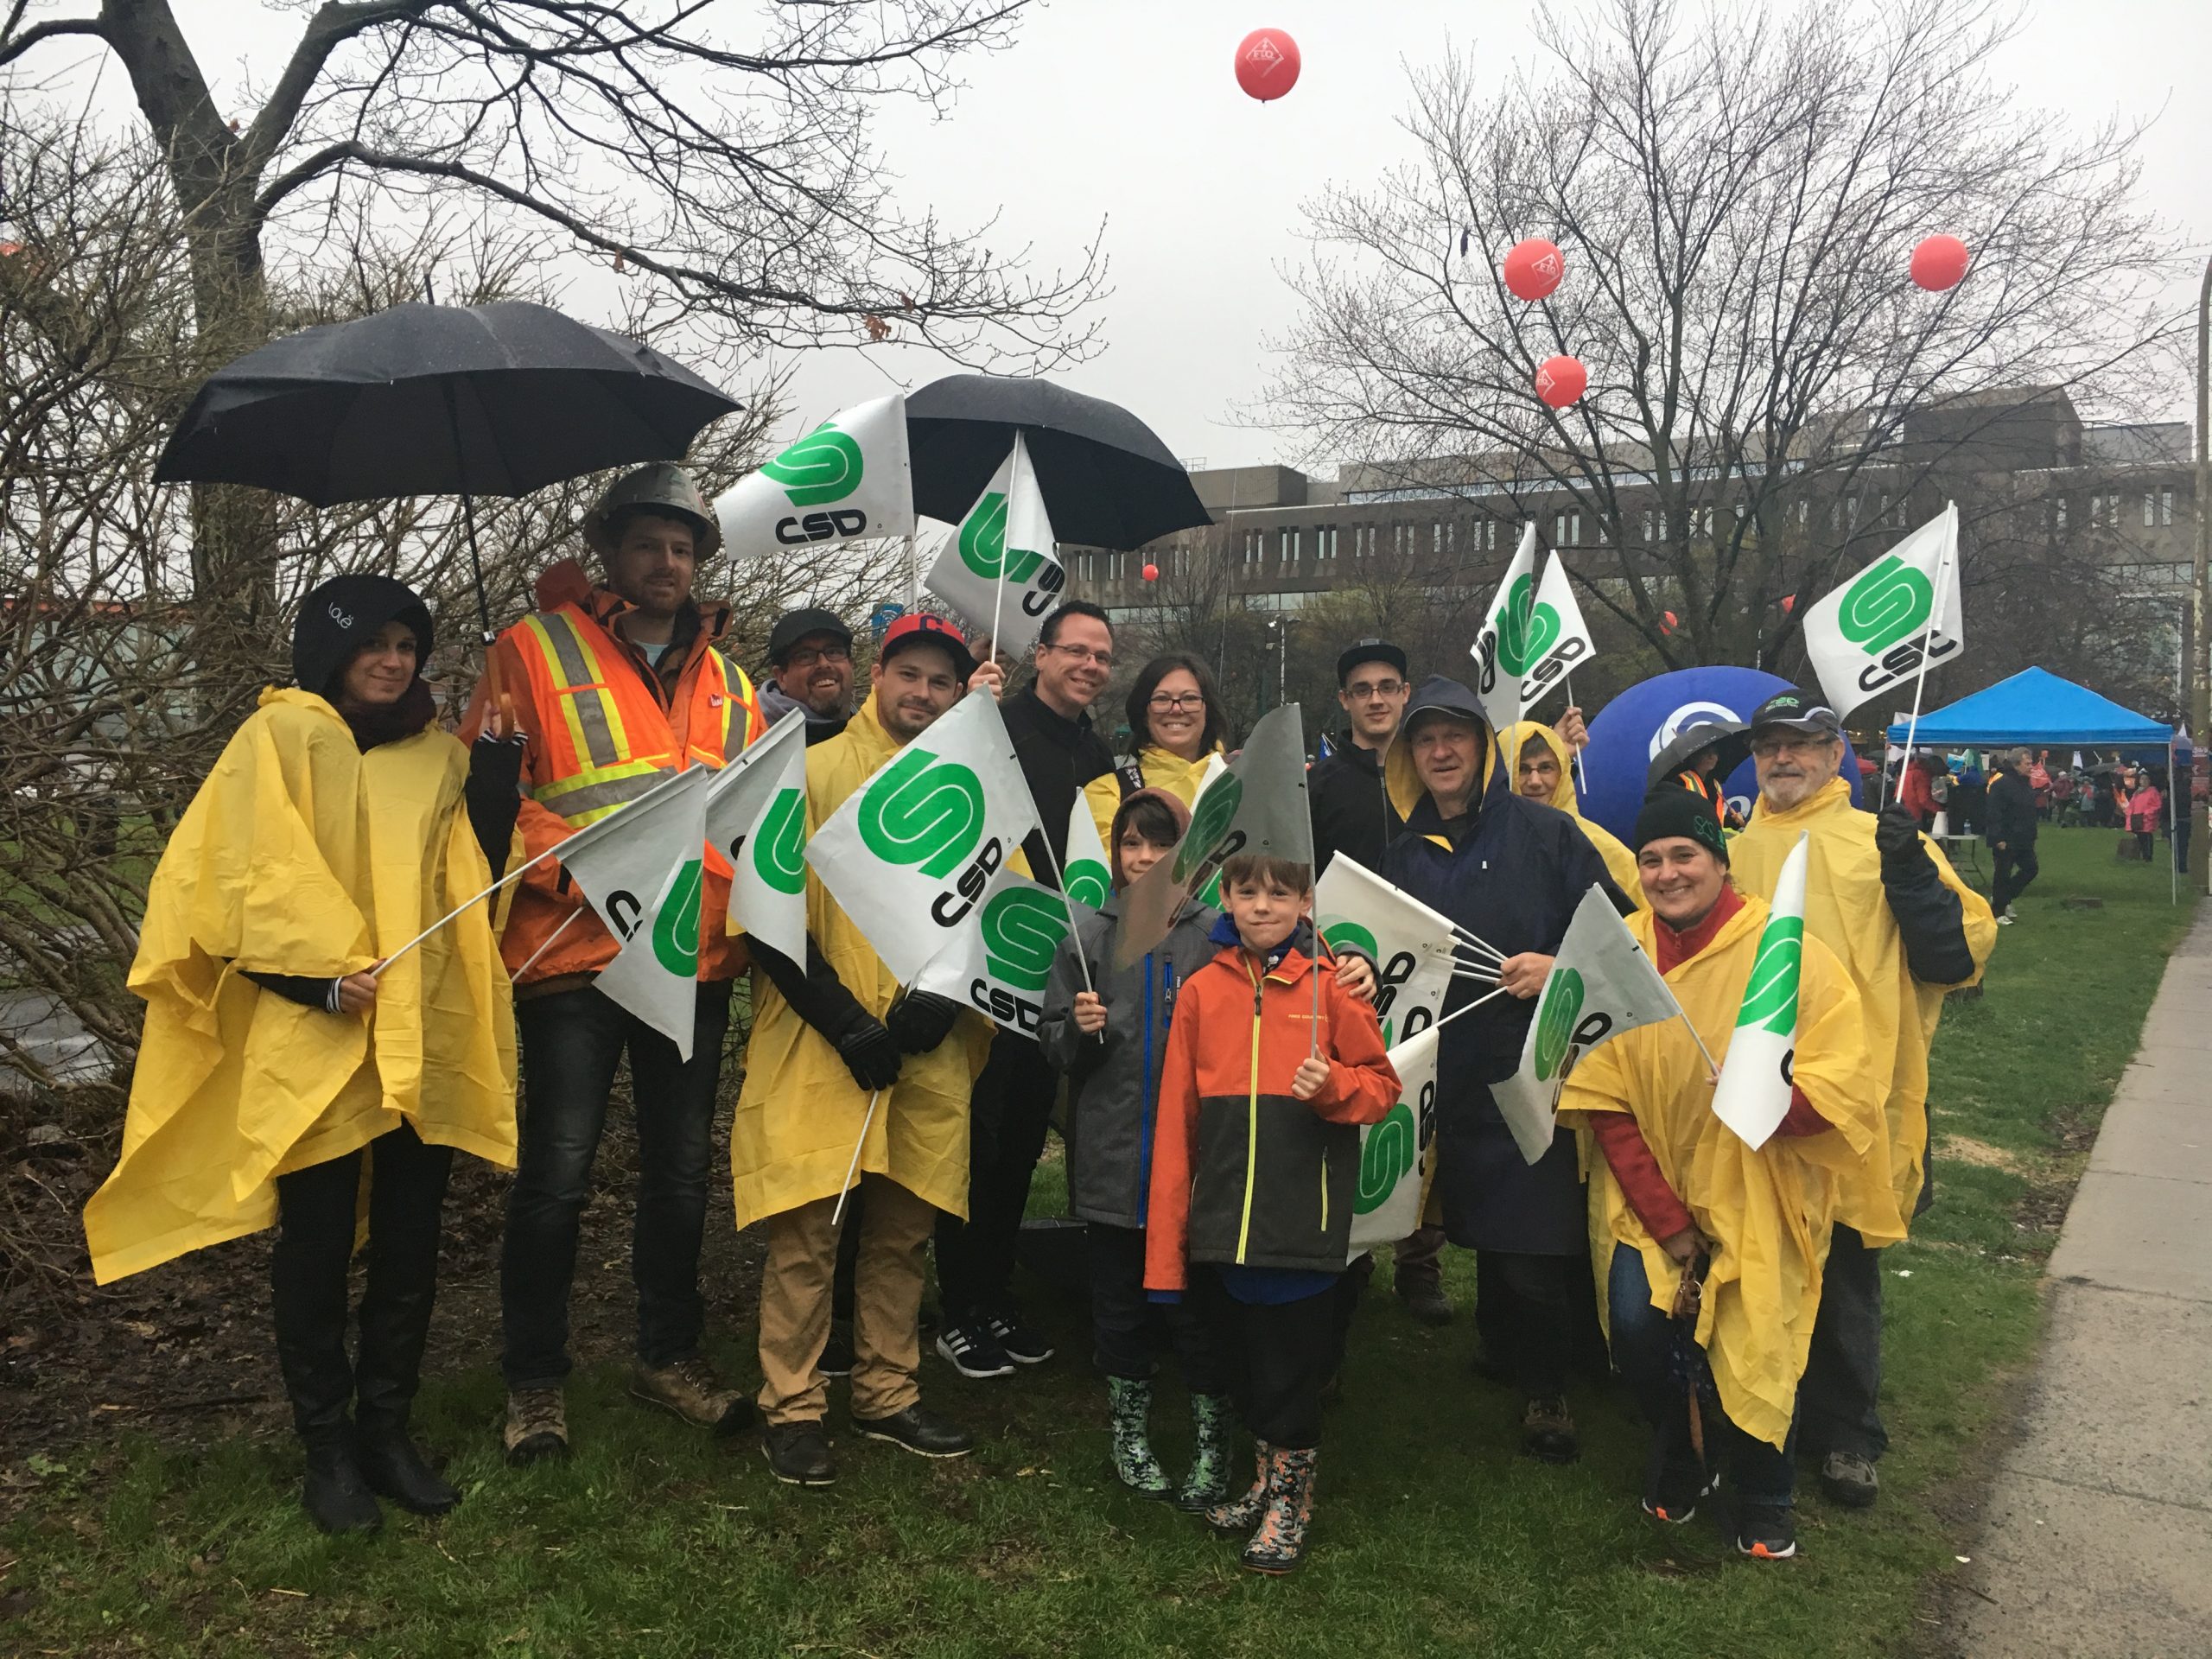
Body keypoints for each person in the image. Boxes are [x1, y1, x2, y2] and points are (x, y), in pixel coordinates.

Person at [85, 575, 519, 1534]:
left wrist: (494, 773)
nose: (394, 659)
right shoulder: (275, 741)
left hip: (415, 1031)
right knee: (317, 1247)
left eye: (408, 644)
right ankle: (326, 1448)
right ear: (331, 649)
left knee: (410, 1241)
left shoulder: (435, 758)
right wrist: (313, 983)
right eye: (376, 641)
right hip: (313, 1040)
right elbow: (230, 886)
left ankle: (386, 1431)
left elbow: (469, 883)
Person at [461, 463, 767, 1465]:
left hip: (691, 957)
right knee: (556, 1174)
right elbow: (492, 800)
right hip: (572, 954)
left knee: (681, 1175)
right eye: (648, 544)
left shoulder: (728, 680)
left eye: (682, 548)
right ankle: (535, 1381)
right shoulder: (528, 651)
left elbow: (752, 817)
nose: (667, 563)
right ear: (611, 552)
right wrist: (592, 869)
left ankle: (666, 1355)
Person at [1560, 788, 1891, 1562]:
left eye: (1685, 856)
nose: (1668, 873)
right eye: (1651, 860)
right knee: (1642, 1332)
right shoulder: (1619, 954)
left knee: (1757, 1340)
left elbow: (1846, 1077)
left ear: (1719, 860)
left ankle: (1765, 1492)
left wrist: (1775, 1099)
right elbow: (1605, 1100)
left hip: (1761, 1191)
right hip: (1652, 1200)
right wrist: (1669, 1226)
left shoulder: (1788, 950)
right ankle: (1680, 1450)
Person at [733, 613, 1004, 1485]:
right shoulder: (806, 772)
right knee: (809, 1234)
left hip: (926, 1043)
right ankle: (793, 1404)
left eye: (940, 681)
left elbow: (997, 911)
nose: (922, 693)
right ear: (877, 675)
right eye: (909, 675)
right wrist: (845, 1021)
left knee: (901, 1228)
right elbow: (766, 918)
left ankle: (888, 1389)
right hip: (821, 1038)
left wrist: (938, 999)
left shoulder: (972, 791)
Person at [1728, 688, 1995, 1510]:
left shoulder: (1882, 842)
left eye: (1801, 744)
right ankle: (1763, 1411)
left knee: (1844, 1268)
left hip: (1853, 1095)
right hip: (1748, 1090)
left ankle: (1849, 1434)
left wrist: (1911, 875)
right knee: (1758, 1261)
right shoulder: (1732, 852)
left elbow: (1954, 955)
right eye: (1770, 744)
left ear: (1837, 751)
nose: (1783, 759)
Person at [1381, 679, 1629, 1464]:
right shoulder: (1401, 855)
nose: (1442, 751)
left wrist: (1557, 967)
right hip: (1444, 1073)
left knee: (1532, 1236)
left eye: (1457, 735)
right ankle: (1501, 1345)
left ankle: (1547, 1387)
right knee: (1477, 1220)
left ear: (1485, 748)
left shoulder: (1549, 835)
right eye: (1426, 740)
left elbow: (1623, 932)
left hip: (1534, 1065)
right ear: (1410, 759)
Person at [1142, 852, 1401, 1574]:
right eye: (1247, 891)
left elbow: (1382, 1088)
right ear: (1225, 896)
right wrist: (1173, 1239)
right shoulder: (1200, 992)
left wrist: (1333, 1089)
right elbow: (1177, 1118)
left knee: (1290, 1371)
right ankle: (1263, 1484)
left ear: (1305, 902)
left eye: (1279, 893)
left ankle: (1293, 1502)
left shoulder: (1334, 989)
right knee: (1248, 1364)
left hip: (1302, 1223)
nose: (1261, 906)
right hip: (1224, 1223)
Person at [933, 601, 1120, 1379]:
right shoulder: (993, 723)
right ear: (1039, 654)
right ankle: (958, 1307)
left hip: (1055, 968)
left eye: (1102, 656)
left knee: (1018, 1145)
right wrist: (966, 708)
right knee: (974, 1139)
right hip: (986, 959)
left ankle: (995, 1291)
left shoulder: (1102, 752)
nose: (1089, 665)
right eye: (1075, 650)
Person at [1038, 788, 1233, 1504]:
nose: (1145, 858)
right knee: (1118, 1301)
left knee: (1196, 1307)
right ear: (1116, 852)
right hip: (1116, 1161)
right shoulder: (1085, 940)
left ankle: (1214, 1435)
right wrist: (1078, 1031)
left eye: (1161, 844)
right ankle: (1130, 1430)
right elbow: (1056, 1049)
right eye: (1131, 843)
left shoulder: (1221, 935)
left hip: (1198, 1163)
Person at [1083, 651, 1229, 841]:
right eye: (1161, 699)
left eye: (1190, 699)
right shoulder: (1108, 794)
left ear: (1208, 710)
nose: (1176, 709)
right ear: (1144, 713)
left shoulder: (1245, 783)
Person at [1503, 720, 1642, 905]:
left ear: (1563, 772)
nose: (1535, 781)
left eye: (1546, 768)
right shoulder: (1483, 842)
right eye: (1521, 769)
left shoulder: (1598, 845)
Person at [1306, 638, 1412, 880]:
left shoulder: (1431, 776)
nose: (1376, 701)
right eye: (1362, 690)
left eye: (1387, 687)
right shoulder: (1314, 787)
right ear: (1345, 699)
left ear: (1404, 692)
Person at [760, 607, 855, 745]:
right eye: (805, 656)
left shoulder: (876, 736)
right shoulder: (753, 739)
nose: (823, 664)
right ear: (781, 677)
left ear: (851, 665)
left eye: (834, 652)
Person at [1986, 750, 2039, 925]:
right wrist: (1998, 837)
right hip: (2007, 837)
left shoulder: (2025, 784)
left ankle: (2003, 898)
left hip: (2024, 837)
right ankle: (1997, 912)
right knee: (2002, 873)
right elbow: (1994, 812)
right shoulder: (2001, 784)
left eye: (2031, 763)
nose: (2031, 767)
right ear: (2016, 765)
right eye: (2027, 764)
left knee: (2031, 868)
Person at [2128, 770, 2164, 864]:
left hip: (2147, 819)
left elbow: (2157, 805)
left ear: (2149, 781)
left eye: (2146, 779)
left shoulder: (2153, 792)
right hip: (2137, 819)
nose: (2144, 781)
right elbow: (2132, 805)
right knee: (2140, 837)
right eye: (2142, 779)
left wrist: (2147, 813)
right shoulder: (2136, 793)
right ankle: (2141, 855)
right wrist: (2130, 814)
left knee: (2146, 837)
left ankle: (2148, 857)